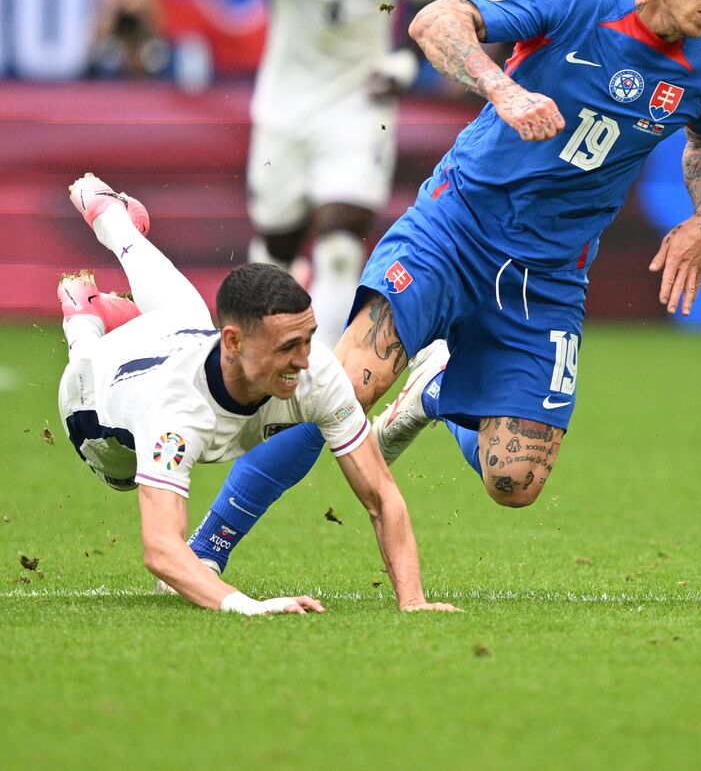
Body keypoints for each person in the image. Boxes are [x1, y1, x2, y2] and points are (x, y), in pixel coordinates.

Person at [182, 0, 701, 572]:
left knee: (514, 482)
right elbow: (436, 21)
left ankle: (436, 392)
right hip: (454, 231)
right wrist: (501, 87)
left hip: (545, 276)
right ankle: (205, 550)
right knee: (340, 390)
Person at [58, 173, 457, 615]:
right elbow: (162, 551)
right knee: (120, 471)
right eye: (287, 347)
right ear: (234, 343)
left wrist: (413, 599)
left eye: (307, 339)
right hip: (97, 407)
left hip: (177, 336)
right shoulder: (175, 416)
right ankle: (85, 322)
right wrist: (248, 605)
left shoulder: (314, 370)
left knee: (186, 312)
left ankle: (112, 220)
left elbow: (381, 494)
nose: (304, 361)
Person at [124, 0, 446, 349]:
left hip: (360, 106)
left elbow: (430, 5)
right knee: (277, 251)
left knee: (341, 244)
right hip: (285, 107)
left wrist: (403, 64)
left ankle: (322, 374)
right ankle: (256, 366)